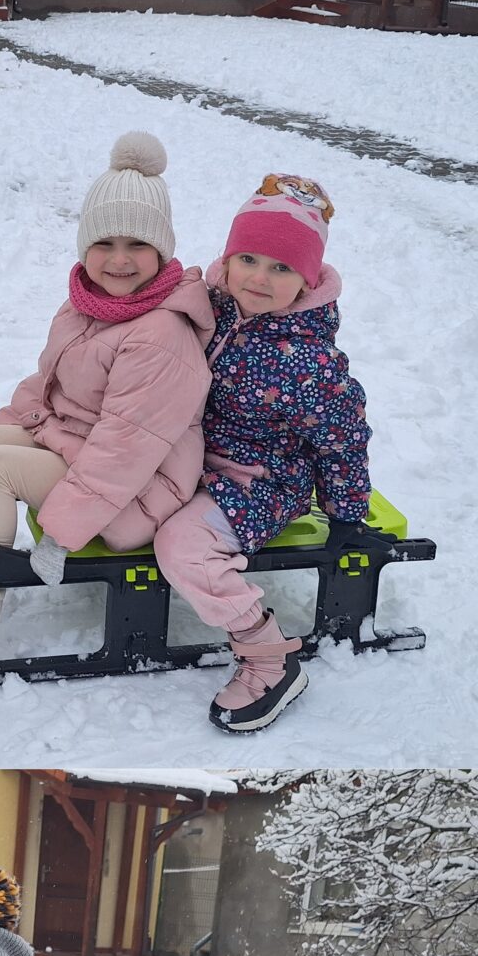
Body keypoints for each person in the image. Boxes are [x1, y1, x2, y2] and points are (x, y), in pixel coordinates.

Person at [0, 132, 213, 672]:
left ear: (162, 250)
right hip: (90, 450)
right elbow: (48, 386)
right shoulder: (91, 306)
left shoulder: (159, 336)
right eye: (104, 243)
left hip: (139, 489)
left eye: (137, 245)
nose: (118, 260)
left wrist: (62, 533)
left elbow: (125, 450)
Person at [150, 173, 371, 733]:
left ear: (307, 279)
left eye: (282, 268)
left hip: (258, 482)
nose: (259, 278)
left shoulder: (310, 362)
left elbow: (343, 437)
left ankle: (269, 658)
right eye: (248, 259)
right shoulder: (211, 305)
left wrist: (346, 512)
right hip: (188, 455)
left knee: (183, 547)